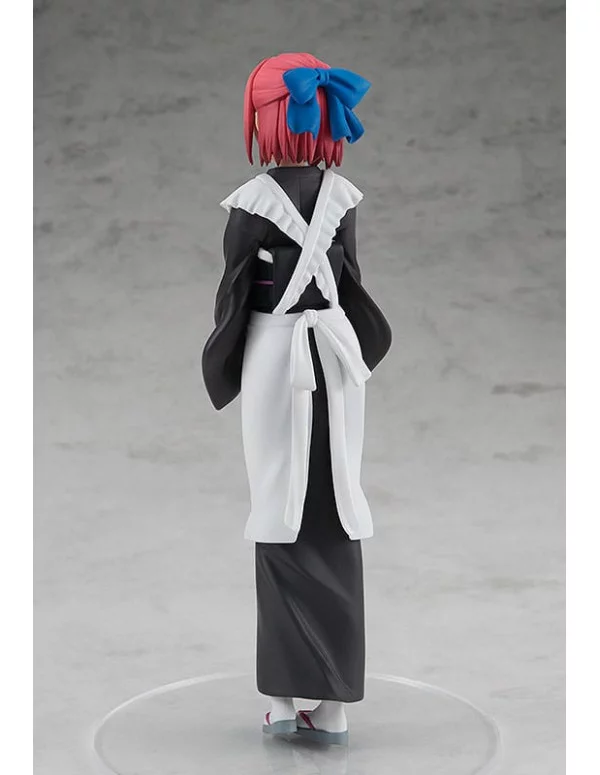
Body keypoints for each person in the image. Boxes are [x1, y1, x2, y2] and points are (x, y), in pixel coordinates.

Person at [202, 52, 392, 745]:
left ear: (265, 120)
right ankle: (333, 706)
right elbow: (352, 284)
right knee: (335, 504)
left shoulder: (251, 204)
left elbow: (233, 294)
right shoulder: (342, 198)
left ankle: (284, 700)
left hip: (277, 358)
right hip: (336, 359)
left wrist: (223, 361)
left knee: (277, 509)